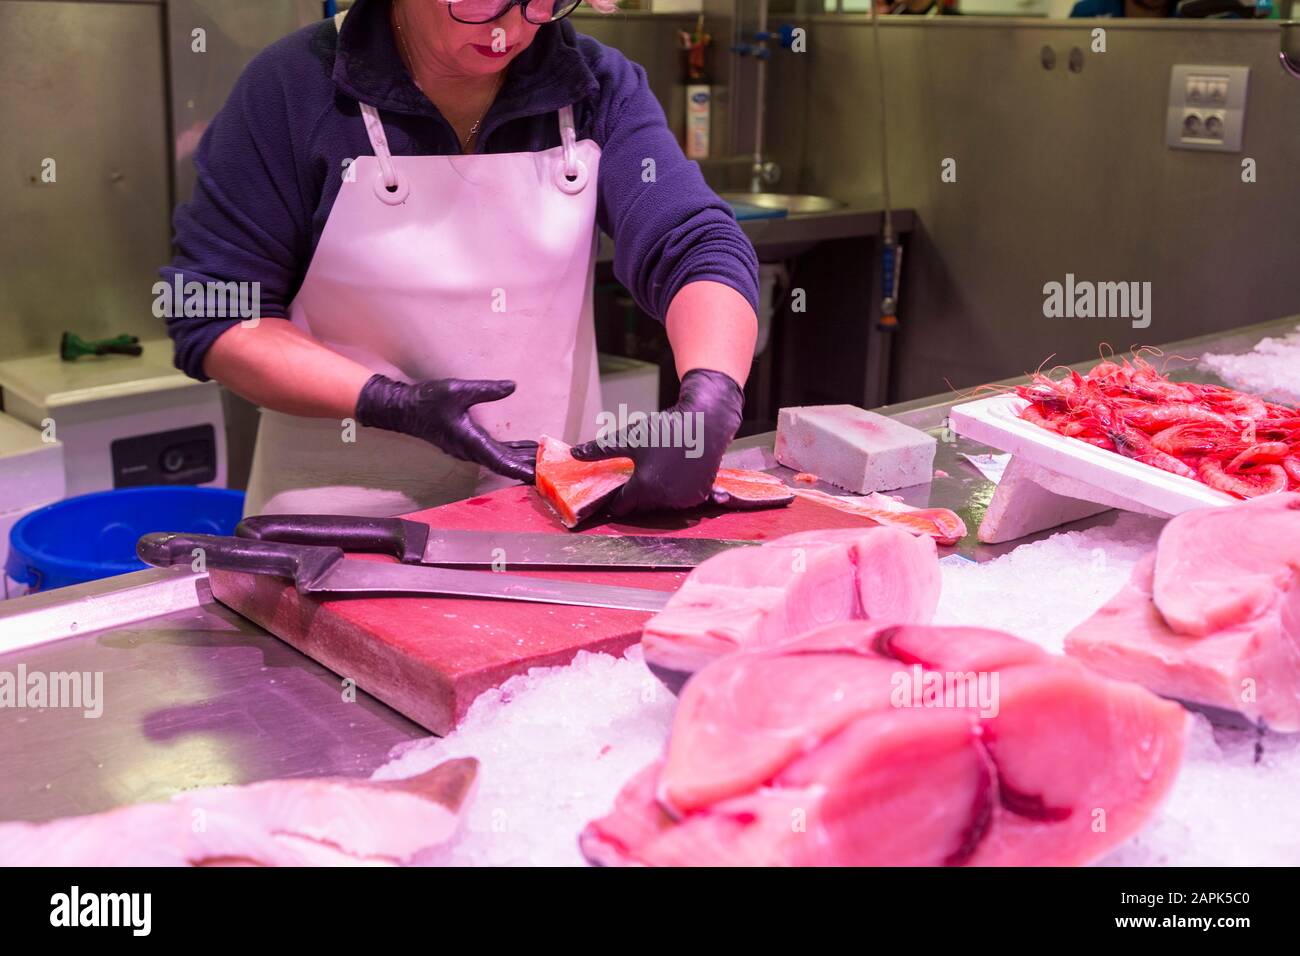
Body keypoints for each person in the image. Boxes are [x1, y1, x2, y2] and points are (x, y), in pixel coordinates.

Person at [163, 0, 759, 517]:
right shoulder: (292, 90)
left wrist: (712, 393)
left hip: (545, 509)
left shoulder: (598, 87)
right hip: (337, 527)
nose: (513, 30)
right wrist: (387, 402)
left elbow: (695, 243)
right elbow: (216, 311)